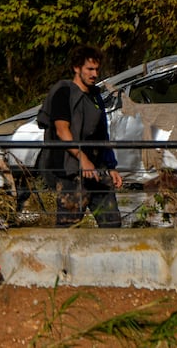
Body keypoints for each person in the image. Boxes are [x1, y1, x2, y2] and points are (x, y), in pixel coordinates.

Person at [44, 44, 123, 227]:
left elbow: (103, 134)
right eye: (89, 69)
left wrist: (111, 167)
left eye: (97, 69)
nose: (94, 74)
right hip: (72, 172)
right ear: (77, 68)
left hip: (97, 169)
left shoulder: (96, 96)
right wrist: (82, 158)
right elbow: (62, 130)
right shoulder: (63, 92)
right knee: (68, 227)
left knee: (112, 223)